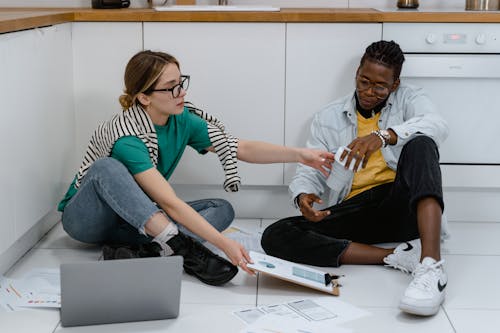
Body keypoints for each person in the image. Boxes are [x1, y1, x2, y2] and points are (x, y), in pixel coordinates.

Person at [58, 50, 334, 287]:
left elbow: (240, 147)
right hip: (89, 221)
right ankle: (180, 248)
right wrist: (225, 245)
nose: (182, 92)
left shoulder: (182, 119)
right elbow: (169, 201)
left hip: (134, 222)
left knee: (221, 208)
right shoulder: (128, 137)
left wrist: (300, 154)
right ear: (144, 97)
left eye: (181, 82)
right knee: (107, 167)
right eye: (172, 87)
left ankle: (145, 251)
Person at [261, 40, 449, 316]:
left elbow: (437, 125)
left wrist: (382, 136)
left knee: (422, 144)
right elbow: (310, 167)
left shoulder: (410, 99)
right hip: (356, 209)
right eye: (363, 81)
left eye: (380, 86)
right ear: (356, 75)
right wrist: (304, 196)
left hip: (402, 204)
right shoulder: (329, 117)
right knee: (275, 235)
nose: (369, 92)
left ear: (394, 85)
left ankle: (431, 264)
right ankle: (397, 256)